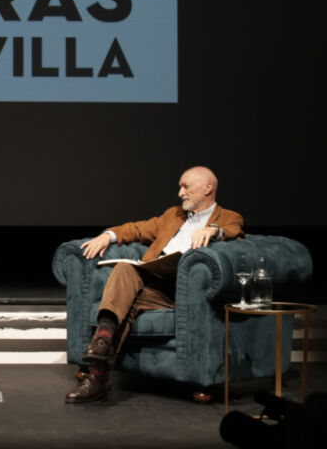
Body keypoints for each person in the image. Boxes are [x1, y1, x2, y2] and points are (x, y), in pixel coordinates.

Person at [65, 165, 244, 404]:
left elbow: (233, 229)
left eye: (186, 187)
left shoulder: (228, 216)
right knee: (125, 270)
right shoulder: (174, 215)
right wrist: (107, 236)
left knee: (125, 302)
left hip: (185, 292)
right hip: (155, 284)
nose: (180, 193)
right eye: (180, 187)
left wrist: (214, 231)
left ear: (207, 188)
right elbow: (138, 228)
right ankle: (102, 347)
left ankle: (98, 374)